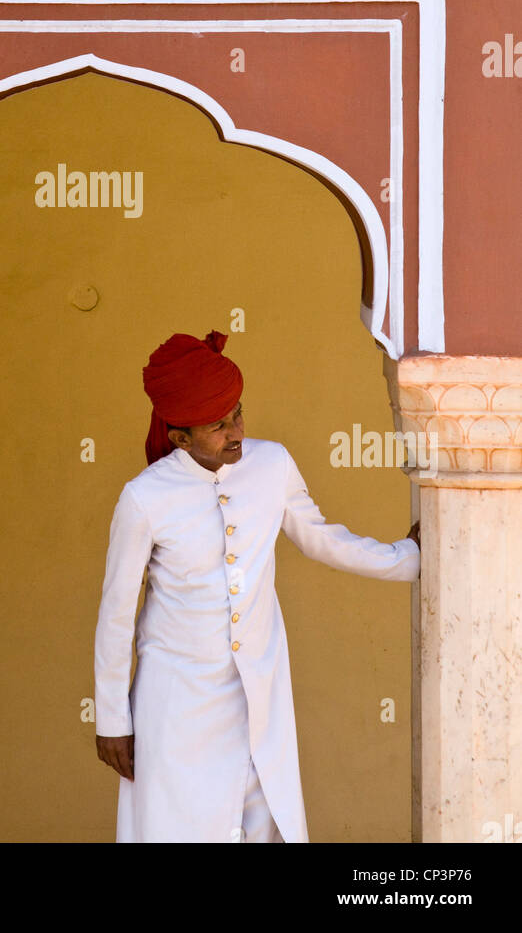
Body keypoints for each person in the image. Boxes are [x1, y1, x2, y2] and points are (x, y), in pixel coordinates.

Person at [93, 330, 421, 843]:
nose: (235, 432)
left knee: (266, 824)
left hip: (258, 692)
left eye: (237, 414)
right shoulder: (144, 498)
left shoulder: (272, 465)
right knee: (179, 827)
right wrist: (112, 717)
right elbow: (116, 612)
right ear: (180, 437)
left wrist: (408, 560)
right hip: (176, 702)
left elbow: (319, 538)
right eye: (217, 426)